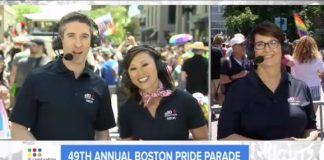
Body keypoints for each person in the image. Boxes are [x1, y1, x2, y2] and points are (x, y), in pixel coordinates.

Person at [9, 12, 116, 140]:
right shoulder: (36, 79)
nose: (78, 44)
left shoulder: (100, 85)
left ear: (91, 41)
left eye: (84, 36)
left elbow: (103, 134)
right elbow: (18, 129)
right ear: (60, 40)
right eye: (71, 36)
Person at [217, 22, 319, 140]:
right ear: (252, 52)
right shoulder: (237, 90)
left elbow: (311, 128)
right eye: (260, 44)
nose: (267, 49)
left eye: (273, 43)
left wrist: (306, 141)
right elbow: (225, 136)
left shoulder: (301, 87)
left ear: (283, 48)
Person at [118, 45, 208, 140]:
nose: (140, 72)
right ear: (128, 75)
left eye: (144, 65)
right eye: (133, 68)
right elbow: (127, 151)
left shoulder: (186, 101)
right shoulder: (126, 109)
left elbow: (203, 144)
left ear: (158, 66)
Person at [291, 36, 324, 101]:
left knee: (300, 111)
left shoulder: (293, 60)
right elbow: (321, 74)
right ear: (314, 46)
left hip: (298, 90)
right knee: (313, 111)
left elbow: (293, 74)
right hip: (315, 90)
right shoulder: (318, 60)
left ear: (298, 46)